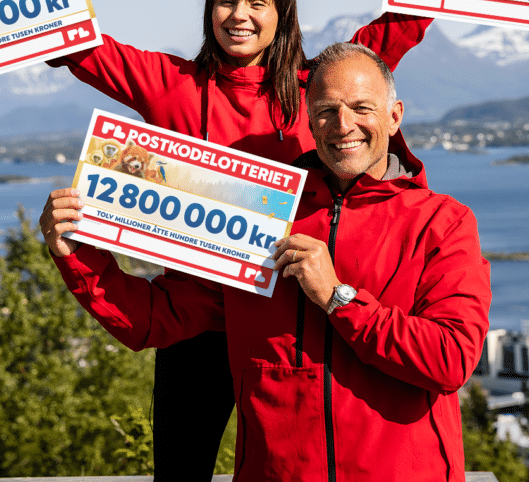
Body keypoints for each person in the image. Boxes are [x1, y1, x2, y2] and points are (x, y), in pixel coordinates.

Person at [40, 42, 491, 481]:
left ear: (394, 116)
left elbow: (450, 360)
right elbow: (157, 319)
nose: (343, 125)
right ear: (309, 122)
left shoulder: (442, 223)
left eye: (361, 108)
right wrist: (76, 254)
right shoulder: (260, 215)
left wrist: (339, 298)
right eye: (326, 111)